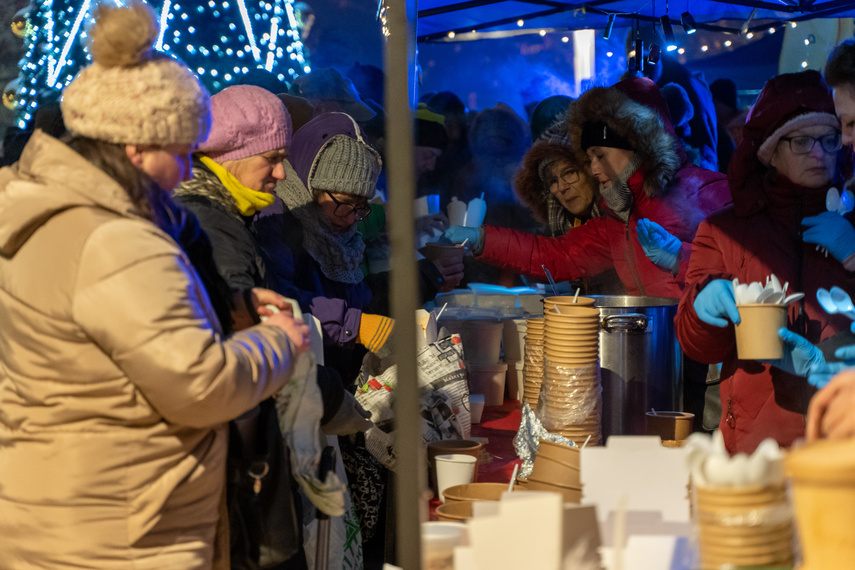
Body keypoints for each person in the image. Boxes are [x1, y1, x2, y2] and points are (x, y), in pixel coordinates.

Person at [0, 2, 309, 567]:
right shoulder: (117, 240)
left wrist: (229, 307)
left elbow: (109, 339)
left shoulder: (48, 210)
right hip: (121, 530)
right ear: (136, 147)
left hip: (60, 507)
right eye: (182, 152)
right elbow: (199, 386)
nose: (189, 170)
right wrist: (278, 343)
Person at [674, 70, 855, 455]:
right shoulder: (726, 230)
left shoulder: (851, 223)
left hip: (845, 438)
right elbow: (697, 346)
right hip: (760, 447)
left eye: (828, 139)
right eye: (802, 142)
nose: (820, 153)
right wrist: (705, 308)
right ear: (770, 151)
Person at [442, 77, 729, 298]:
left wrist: (683, 257)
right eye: (589, 157)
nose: (592, 169)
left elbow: (753, 274)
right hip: (655, 353)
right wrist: (481, 238)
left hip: (709, 363)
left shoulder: (710, 192)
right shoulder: (619, 220)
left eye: (600, 155)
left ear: (638, 145)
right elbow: (556, 256)